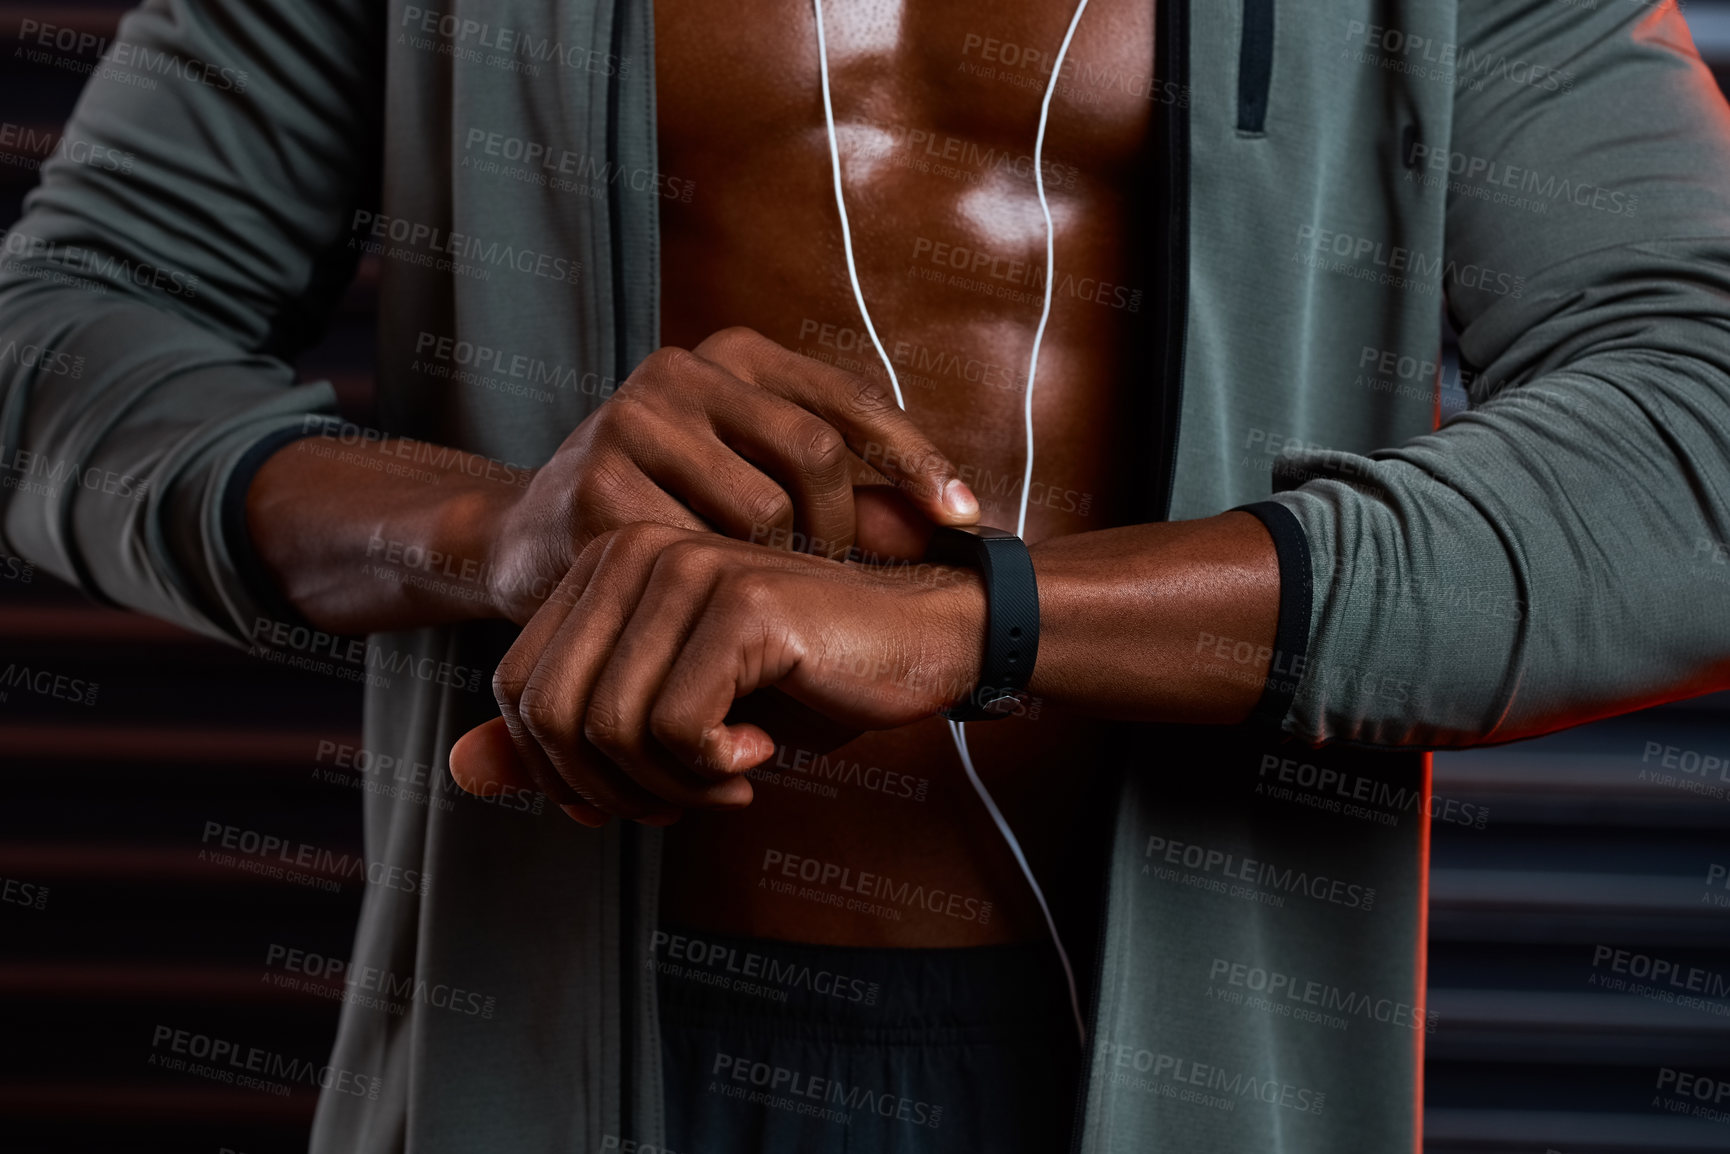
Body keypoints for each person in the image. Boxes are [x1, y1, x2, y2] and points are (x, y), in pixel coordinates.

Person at [3, 0, 1728, 1149]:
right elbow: (57, 333)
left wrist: (971, 626)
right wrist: (494, 530)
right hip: (562, 1041)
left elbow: (1702, 441)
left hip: (1173, 1069)